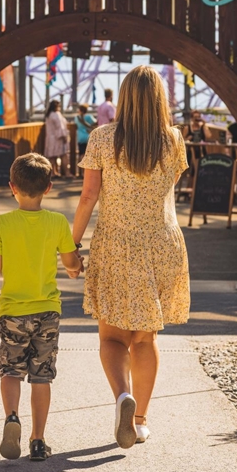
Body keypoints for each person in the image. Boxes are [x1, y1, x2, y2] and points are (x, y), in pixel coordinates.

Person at [72, 65, 191, 449]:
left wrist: (71, 243)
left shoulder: (103, 138)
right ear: (160, 99)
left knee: (111, 335)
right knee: (145, 337)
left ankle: (124, 397)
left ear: (123, 97)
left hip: (116, 243)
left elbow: (89, 195)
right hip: (161, 242)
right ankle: (139, 420)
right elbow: (170, 186)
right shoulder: (173, 140)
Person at [0, 154, 83, 461]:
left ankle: (12, 418)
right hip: (47, 311)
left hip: (13, 312)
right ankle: (37, 439)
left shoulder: (3, 224)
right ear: (48, 188)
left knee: (11, 369)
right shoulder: (58, 222)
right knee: (42, 375)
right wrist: (77, 263)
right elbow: (72, 263)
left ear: (12, 187)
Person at [44, 100, 70, 177]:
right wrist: (65, 136)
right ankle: (66, 173)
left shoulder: (48, 115)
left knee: (52, 156)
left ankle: (53, 172)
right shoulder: (56, 114)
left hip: (50, 138)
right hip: (58, 138)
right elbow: (61, 127)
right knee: (64, 155)